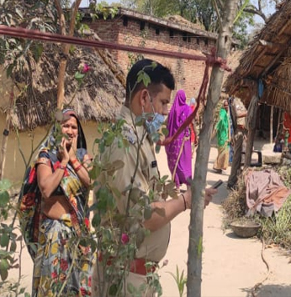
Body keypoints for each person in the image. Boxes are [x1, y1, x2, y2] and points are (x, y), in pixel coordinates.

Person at [92, 59, 217, 296]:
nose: (163, 112)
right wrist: (184, 202)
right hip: (124, 279)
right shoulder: (124, 144)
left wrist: (187, 196)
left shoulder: (139, 138)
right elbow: (144, 217)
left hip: (135, 275)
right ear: (143, 98)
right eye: (161, 103)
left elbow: (151, 194)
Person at [25, 109, 93, 297]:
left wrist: (72, 159)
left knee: (80, 287)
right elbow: (46, 189)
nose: (70, 131)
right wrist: (63, 162)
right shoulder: (46, 156)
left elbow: (92, 181)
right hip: (54, 234)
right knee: (54, 289)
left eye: (74, 127)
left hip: (79, 233)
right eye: (66, 126)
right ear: (57, 129)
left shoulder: (82, 155)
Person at [166, 90, 193, 189]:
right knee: (186, 163)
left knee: (176, 163)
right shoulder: (187, 108)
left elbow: (168, 125)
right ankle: (189, 186)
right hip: (185, 141)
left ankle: (177, 186)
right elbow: (190, 122)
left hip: (174, 141)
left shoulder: (173, 110)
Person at [227, 97, 248, 190]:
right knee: (236, 158)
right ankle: (231, 181)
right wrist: (249, 112)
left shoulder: (239, 100)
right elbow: (238, 114)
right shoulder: (236, 100)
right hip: (239, 131)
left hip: (242, 131)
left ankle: (235, 180)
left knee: (239, 158)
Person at [213, 99, 230, 174]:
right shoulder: (222, 113)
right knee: (223, 152)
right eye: (225, 105)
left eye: (227, 105)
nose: (226, 107)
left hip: (225, 135)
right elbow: (220, 121)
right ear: (223, 106)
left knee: (224, 152)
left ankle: (219, 167)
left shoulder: (226, 113)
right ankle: (216, 166)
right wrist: (215, 130)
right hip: (222, 137)